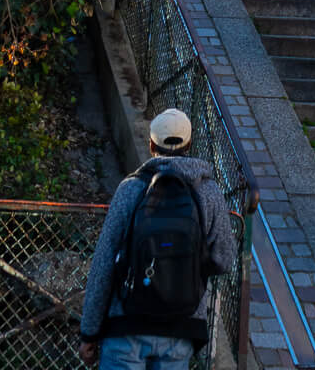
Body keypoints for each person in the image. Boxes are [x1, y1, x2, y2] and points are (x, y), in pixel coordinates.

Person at [78, 107, 235, 368]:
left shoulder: (131, 189)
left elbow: (104, 264)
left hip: (126, 327)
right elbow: (225, 259)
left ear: (151, 145)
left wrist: (89, 332)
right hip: (182, 326)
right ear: (189, 144)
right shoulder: (209, 192)